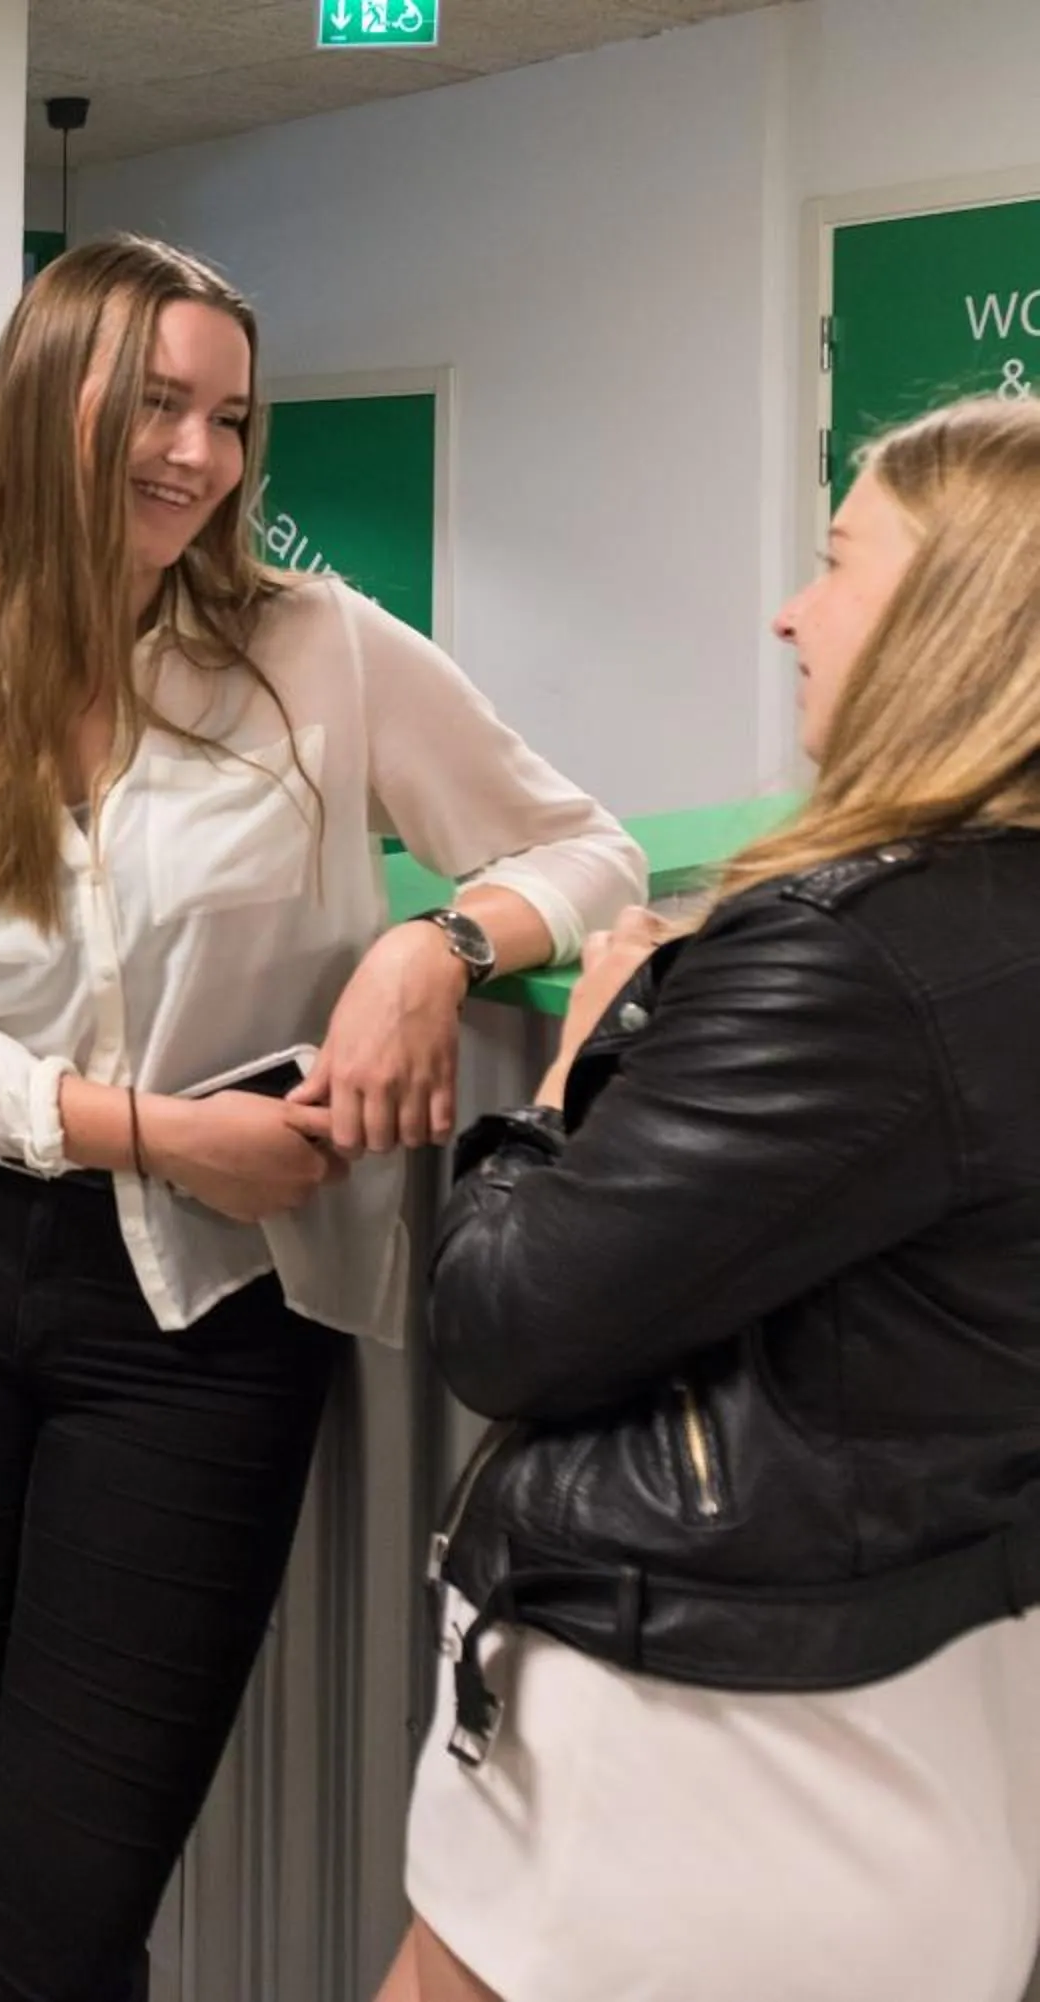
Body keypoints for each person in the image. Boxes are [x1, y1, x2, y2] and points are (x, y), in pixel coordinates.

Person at [0, 235, 642, 2002]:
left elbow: (588, 851)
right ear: (50, 405)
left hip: (201, 1321)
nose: (199, 453)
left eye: (232, 417)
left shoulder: (315, 649)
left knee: (65, 1887)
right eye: (158, 404)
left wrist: (434, 942)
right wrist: (148, 1130)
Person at [385, 395, 1040, 2002]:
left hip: (707, 1750)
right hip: (930, 1710)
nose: (789, 614)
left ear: (950, 622)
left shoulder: (850, 956)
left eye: (838, 563)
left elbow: (506, 1319)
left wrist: (563, 1084)